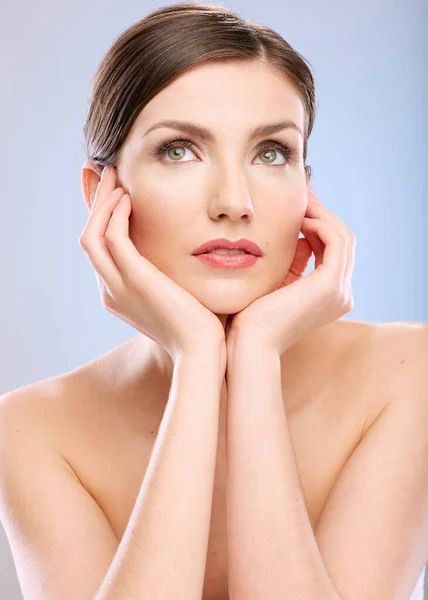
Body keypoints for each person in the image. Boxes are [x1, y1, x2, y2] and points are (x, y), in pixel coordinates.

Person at [0, 3, 427, 599]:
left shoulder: (411, 376)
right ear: (104, 194)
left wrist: (255, 357)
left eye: (272, 152)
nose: (234, 200)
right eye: (179, 150)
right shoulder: (31, 430)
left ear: (307, 187)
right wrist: (198, 358)